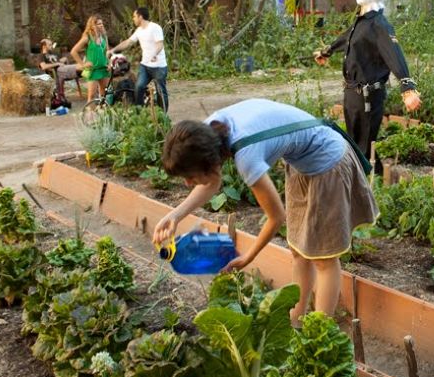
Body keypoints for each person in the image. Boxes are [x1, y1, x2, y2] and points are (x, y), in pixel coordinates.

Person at [152, 98, 377, 324]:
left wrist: (248, 256)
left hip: (329, 163)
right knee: (299, 251)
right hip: (301, 164)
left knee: (324, 258)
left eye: (190, 177)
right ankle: (296, 320)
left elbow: (276, 217)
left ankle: (320, 330)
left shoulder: (246, 156)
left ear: (208, 163)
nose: (188, 183)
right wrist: (174, 216)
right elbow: (212, 181)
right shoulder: (207, 132)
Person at [314, 0, 421, 175]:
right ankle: (365, 177)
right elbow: (347, 38)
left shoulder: (379, 25)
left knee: (364, 143)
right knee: (354, 141)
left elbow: (394, 54)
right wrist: (327, 51)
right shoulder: (362, 22)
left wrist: (407, 87)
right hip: (352, 93)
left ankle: (369, 180)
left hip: (368, 95)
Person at [108, 7, 169, 112]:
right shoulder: (139, 31)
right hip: (145, 66)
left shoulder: (155, 28)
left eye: (134, 16)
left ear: (140, 17)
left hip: (159, 66)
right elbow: (128, 42)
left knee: (161, 91)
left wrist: (154, 54)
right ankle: (140, 112)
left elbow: (160, 44)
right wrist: (113, 50)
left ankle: (163, 114)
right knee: (139, 87)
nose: (133, 19)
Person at [71, 14, 110, 104]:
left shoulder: (104, 37)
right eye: (98, 24)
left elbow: (107, 52)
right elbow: (73, 51)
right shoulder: (87, 37)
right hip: (93, 70)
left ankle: (102, 112)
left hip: (103, 69)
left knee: (104, 95)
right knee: (91, 96)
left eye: (102, 23)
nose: (101, 25)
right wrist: (83, 64)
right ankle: (90, 113)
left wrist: (109, 63)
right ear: (92, 25)